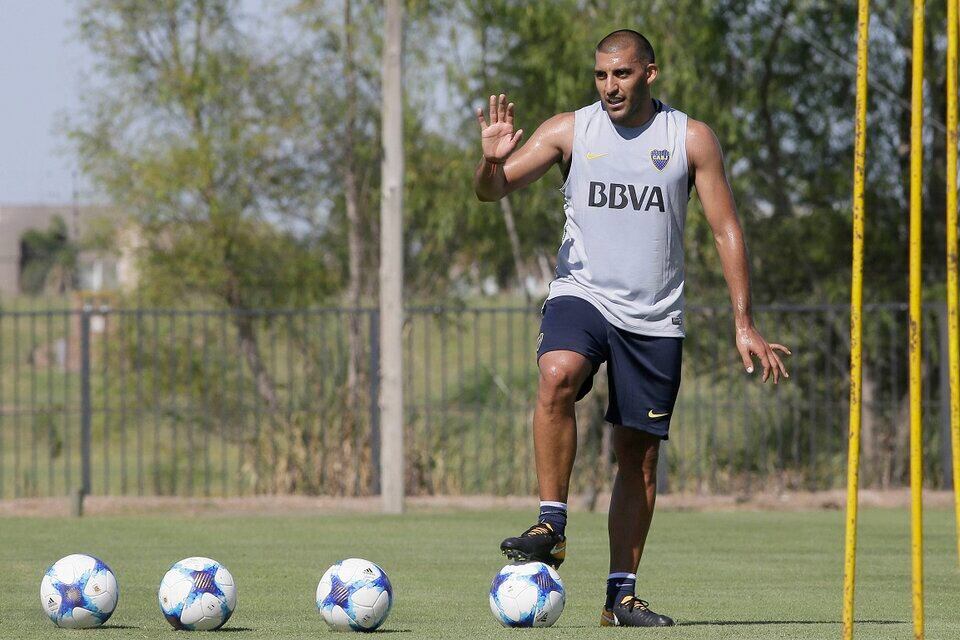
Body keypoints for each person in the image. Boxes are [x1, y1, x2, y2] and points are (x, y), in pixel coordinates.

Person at [473, 29, 791, 627]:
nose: (610, 87)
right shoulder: (570, 130)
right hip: (583, 293)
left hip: (654, 316)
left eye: (621, 74)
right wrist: (491, 160)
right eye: (601, 75)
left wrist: (743, 320)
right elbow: (493, 192)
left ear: (650, 72)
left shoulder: (689, 138)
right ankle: (552, 524)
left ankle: (620, 598)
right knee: (557, 372)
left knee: (637, 458)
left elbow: (726, 228)